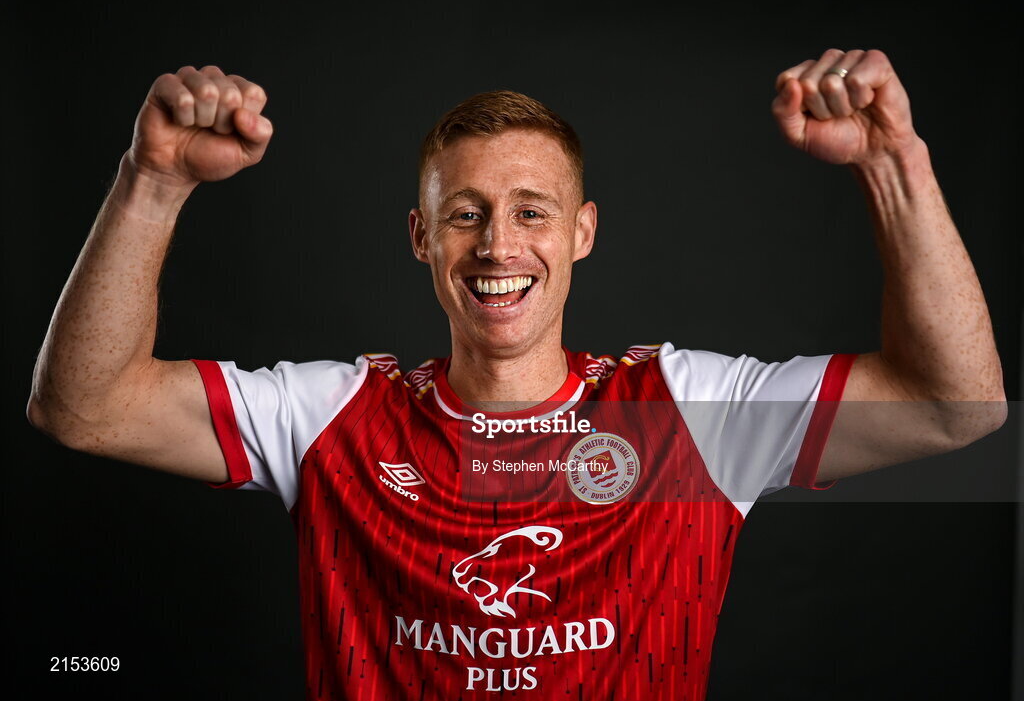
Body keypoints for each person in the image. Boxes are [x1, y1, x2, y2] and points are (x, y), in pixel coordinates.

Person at [26, 48, 1006, 700]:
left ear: (582, 233)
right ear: (420, 237)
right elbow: (85, 410)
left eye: (532, 210)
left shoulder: (686, 418)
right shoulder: (332, 417)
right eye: (464, 212)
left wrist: (894, 164)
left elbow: (954, 409)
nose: (498, 244)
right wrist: (151, 182)